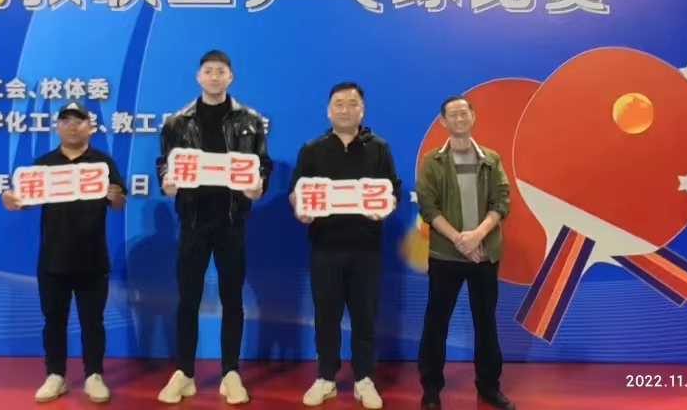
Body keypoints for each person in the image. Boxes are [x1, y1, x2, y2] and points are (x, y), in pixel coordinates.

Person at [155, 50, 273, 405]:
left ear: (230, 77)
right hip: (193, 221)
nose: (215, 76)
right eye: (208, 70)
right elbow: (165, 163)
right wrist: (167, 181)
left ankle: (230, 373)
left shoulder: (250, 120)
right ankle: (185, 373)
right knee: (188, 299)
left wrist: (258, 186)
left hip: (231, 221)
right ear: (198, 77)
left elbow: (262, 164)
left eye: (221, 71)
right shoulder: (177, 122)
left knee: (232, 299)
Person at [1, 102, 127, 404]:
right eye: (65, 121)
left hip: (92, 257)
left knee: (92, 321)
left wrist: (115, 196)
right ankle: (55, 375)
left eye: (78, 121)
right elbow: (21, 200)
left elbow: (119, 202)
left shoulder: (102, 163)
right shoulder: (43, 164)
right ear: (57, 127)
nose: (72, 126)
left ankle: (94, 375)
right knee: (53, 321)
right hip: (53, 258)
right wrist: (11, 200)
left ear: (90, 127)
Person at [290, 82, 400, 410]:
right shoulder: (313, 149)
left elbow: (392, 190)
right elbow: (297, 191)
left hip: (366, 247)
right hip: (325, 246)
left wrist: (386, 207)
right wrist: (301, 209)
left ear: (362, 110)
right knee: (326, 315)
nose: (345, 109)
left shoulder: (379, 147)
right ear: (328, 110)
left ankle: (364, 378)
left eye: (352, 104)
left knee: (365, 316)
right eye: (339, 104)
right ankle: (326, 377)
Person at [416, 96, 515, 410]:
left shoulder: (491, 159)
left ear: (473, 116)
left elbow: (502, 201)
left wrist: (477, 236)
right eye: (453, 115)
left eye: (464, 113)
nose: (459, 119)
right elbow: (428, 207)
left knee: (486, 323)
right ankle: (431, 389)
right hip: (445, 255)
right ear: (443, 121)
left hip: (483, 254)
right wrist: (460, 240)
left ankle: (489, 387)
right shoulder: (432, 161)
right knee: (436, 323)